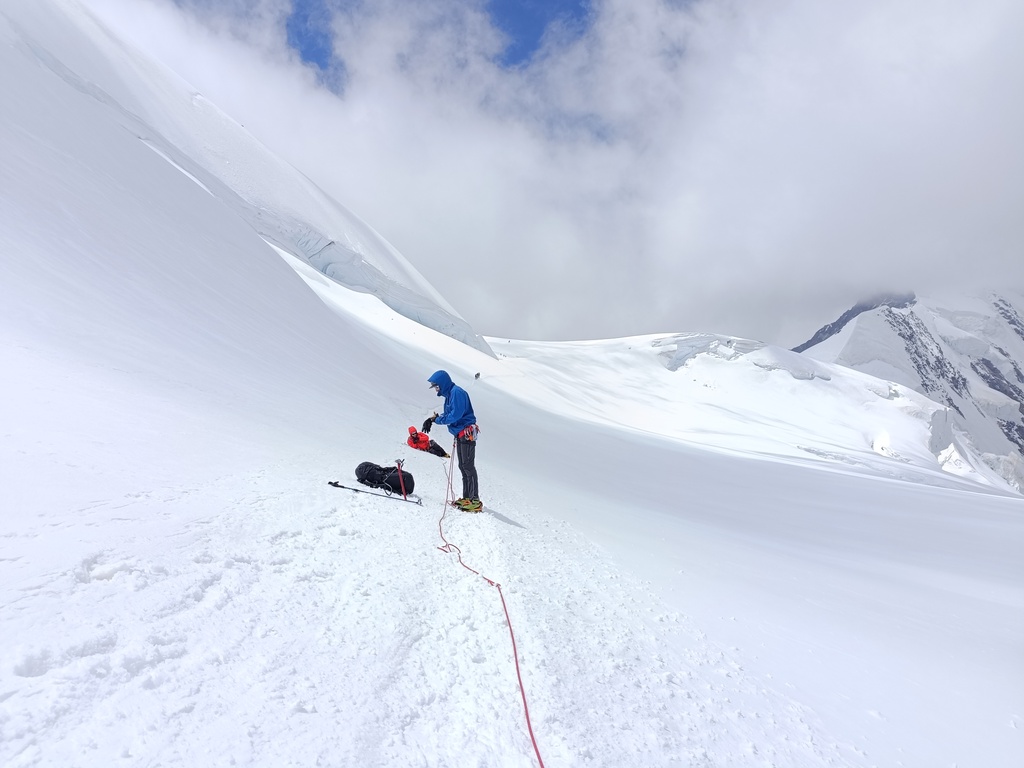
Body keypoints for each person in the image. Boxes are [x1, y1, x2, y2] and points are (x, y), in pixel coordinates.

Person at [425, 370, 481, 511]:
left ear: (443, 383)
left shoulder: (457, 393)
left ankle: (475, 500)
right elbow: (449, 414)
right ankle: (467, 498)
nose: (436, 389)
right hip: (460, 434)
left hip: (466, 433)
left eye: (436, 386)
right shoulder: (449, 396)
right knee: (463, 466)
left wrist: (438, 420)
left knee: (468, 466)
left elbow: (455, 415)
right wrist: (434, 419)